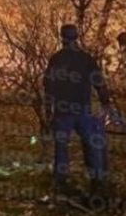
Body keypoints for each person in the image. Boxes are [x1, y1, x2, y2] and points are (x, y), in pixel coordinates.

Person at [43, 24, 114, 201]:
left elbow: (48, 87)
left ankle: (61, 183)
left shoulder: (56, 59)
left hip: (62, 112)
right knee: (92, 146)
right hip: (83, 111)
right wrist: (106, 104)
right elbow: (99, 83)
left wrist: (48, 112)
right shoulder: (86, 59)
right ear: (77, 37)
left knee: (61, 148)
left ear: (61, 38)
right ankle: (97, 183)